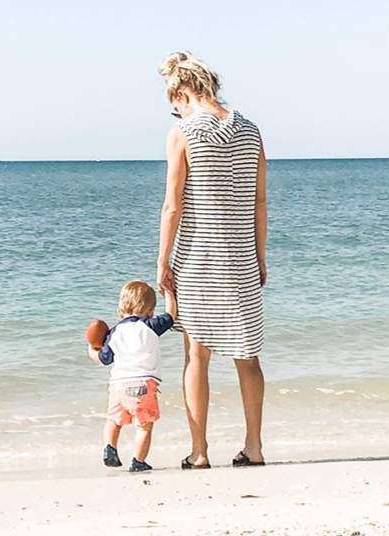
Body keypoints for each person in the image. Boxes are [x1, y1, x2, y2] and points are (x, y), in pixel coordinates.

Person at [154, 51, 268, 469]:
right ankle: (253, 448)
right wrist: (259, 256)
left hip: (198, 256)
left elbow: (173, 205)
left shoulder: (182, 132)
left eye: (174, 102)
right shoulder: (251, 130)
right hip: (240, 255)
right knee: (247, 355)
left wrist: (162, 259)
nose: (176, 110)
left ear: (182, 91)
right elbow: (259, 202)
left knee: (196, 355)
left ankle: (199, 452)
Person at [90, 281, 176, 473]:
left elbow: (105, 358)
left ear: (121, 307)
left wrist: (91, 350)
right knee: (144, 426)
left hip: (117, 386)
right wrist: (169, 293)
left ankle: (109, 448)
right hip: (143, 385)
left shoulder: (114, 332)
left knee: (113, 420)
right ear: (151, 310)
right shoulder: (151, 326)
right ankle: (138, 461)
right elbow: (171, 316)